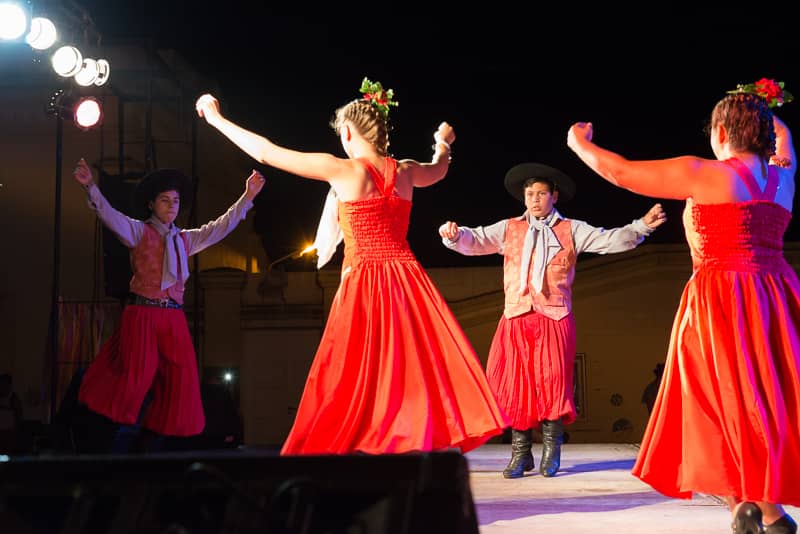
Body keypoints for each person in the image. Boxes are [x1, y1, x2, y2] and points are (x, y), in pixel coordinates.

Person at [195, 78, 508, 455]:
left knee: (354, 373)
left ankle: (365, 445)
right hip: (407, 280)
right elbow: (439, 169)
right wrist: (443, 142)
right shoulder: (406, 171)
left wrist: (216, 119)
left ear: (346, 131)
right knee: (407, 370)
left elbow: (266, 152)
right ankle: (401, 443)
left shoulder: (343, 170)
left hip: (364, 280)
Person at [567, 78, 799, 534]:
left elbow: (623, 173)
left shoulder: (708, 173)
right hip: (775, 296)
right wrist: (765, 108)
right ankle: (753, 506)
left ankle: (755, 509)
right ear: (766, 134)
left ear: (720, 133)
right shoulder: (783, 176)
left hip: (723, 300)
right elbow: (786, 141)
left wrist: (578, 144)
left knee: (723, 399)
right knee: (768, 396)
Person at [439, 162, 666, 478]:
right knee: (513, 384)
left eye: (541, 193)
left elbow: (609, 239)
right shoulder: (510, 228)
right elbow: (475, 240)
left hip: (554, 317)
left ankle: (551, 452)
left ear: (554, 196)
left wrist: (641, 226)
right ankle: (520, 454)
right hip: (516, 316)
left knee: (553, 384)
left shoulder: (571, 229)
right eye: (530, 193)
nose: (534, 199)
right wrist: (454, 235)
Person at [72, 159, 265, 453]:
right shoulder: (138, 232)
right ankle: (109, 447)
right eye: (165, 200)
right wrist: (90, 186)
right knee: (135, 380)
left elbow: (221, 227)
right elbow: (109, 215)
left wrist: (247, 196)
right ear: (152, 204)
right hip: (143, 313)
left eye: (175, 201)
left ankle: (149, 446)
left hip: (173, 317)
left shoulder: (185, 240)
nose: (172, 205)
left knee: (181, 384)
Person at [0, 373, 23, 454]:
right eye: (1, 383)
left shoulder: (14, 399)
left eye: (4, 384)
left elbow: (19, 416)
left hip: (10, 434)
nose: (2, 386)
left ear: (9, 385)